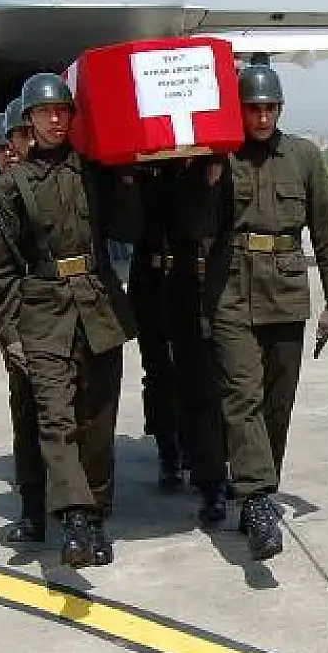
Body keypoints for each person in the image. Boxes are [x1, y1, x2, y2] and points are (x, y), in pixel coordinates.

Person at [0, 72, 139, 569]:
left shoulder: (95, 172)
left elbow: (128, 227)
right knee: (56, 419)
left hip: (98, 305)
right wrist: (10, 335)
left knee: (97, 420)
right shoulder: (8, 189)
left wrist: (129, 177)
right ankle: (71, 516)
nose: (54, 119)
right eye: (44, 112)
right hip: (42, 312)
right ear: (28, 121)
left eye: (62, 111)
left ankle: (95, 517)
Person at [216, 63, 328, 561]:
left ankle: (261, 488)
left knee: (278, 400)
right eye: (254, 108)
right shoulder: (221, 156)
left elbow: (326, 229)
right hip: (230, 289)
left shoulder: (305, 157)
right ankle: (254, 499)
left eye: (270, 107)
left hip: (288, 289)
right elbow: (192, 224)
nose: (263, 116)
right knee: (242, 397)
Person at [129, 156, 231, 525]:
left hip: (193, 279)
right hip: (153, 281)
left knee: (203, 379)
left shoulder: (212, 166)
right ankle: (167, 447)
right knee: (159, 372)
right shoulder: (148, 166)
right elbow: (128, 225)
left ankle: (206, 463)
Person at [0, 111, 45, 543]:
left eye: (15, 145)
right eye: (1, 149)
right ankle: (33, 509)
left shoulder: (43, 192)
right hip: (15, 323)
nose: (10, 155)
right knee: (29, 417)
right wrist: (8, 334)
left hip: (57, 316)